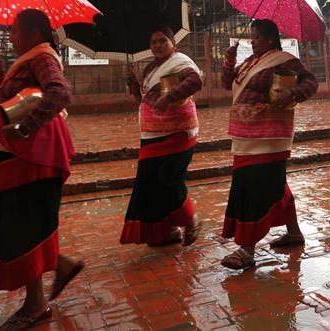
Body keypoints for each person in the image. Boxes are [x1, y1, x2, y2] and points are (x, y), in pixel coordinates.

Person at [0, 9, 83, 331]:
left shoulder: (42, 57)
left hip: (24, 153)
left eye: (14, 30)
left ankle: (36, 304)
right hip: (12, 152)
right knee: (19, 220)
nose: (10, 36)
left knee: (20, 222)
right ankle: (59, 265)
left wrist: (26, 127)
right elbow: (19, 97)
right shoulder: (28, 60)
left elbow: (58, 92)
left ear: (33, 32)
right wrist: (0, 77)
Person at [219, 19, 318, 270]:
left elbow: (310, 82)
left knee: (254, 186)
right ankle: (294, 233)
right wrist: (229, 61)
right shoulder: (249, 63)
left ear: (271, 39)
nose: (252, 41)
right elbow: (226, 83)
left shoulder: (284, 60)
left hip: (269, 136)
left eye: (257, 37)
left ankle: (247, 249)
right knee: (274, 184)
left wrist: (292, 94)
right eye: (251, 37)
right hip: (245, 135)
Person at [121, 25, 203, 247]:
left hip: (177, 132)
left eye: (162, 41)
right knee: (149, 182)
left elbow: (195, 81)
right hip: (150, 133)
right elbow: (142, 100)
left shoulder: (181, 62)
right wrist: (133, 81)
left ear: (172, 42)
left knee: (168, 179)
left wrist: (169, 98)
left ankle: (190, 218)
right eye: (153, 42)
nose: (157, 45)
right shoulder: (149, 69)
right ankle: (167, 230)